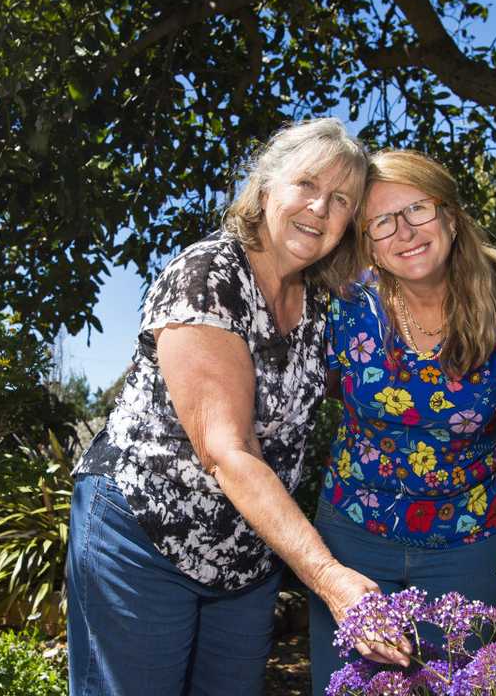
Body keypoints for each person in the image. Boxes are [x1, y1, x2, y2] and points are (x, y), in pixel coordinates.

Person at [66, 118, 403, 696]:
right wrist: (328, 577)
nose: (320, 209)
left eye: (341, 199)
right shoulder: (207, 276)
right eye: (306, 185)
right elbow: (227, 450)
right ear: (266, 188)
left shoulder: (322, 302)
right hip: (144, 533)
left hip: (247, 558)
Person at [309, 149, 496, 694]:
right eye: (381, 223)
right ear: (366, 242)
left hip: (467, 545)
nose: (404, 232)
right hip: (351, 539)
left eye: (417, 210)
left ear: (450, 214)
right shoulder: (344, 307)